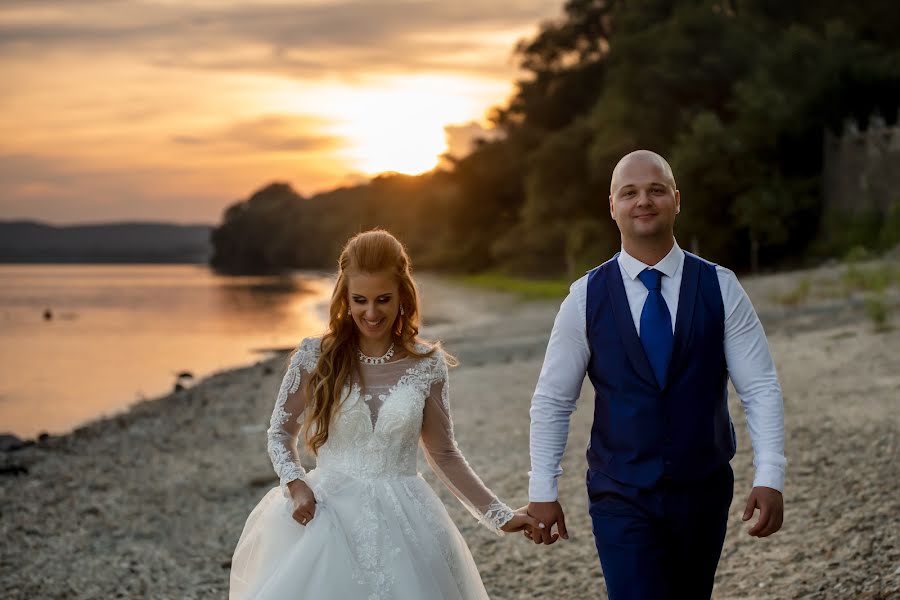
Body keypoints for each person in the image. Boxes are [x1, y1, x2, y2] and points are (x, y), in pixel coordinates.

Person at [525, 150, 786, 599]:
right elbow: (553, 399)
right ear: (612, 206)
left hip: (702, 488)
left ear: (676, 200)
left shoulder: (720, 286)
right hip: (620, 494)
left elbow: (759, 386)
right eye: (629, 193)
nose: (643, 200)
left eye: (656, 189)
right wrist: (542, 489)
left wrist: (770, 476)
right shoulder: (585, 298)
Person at [230, 229, 536, 600]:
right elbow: (279, 433)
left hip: (407, 517)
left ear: (402, 296)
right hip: (328, 514)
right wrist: (296, 485)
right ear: (344, 296)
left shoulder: (427, 365)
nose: (371, 313)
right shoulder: (316, 357)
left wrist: (499, 515)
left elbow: (443, 453)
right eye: (359, 300)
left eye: (383, 300)